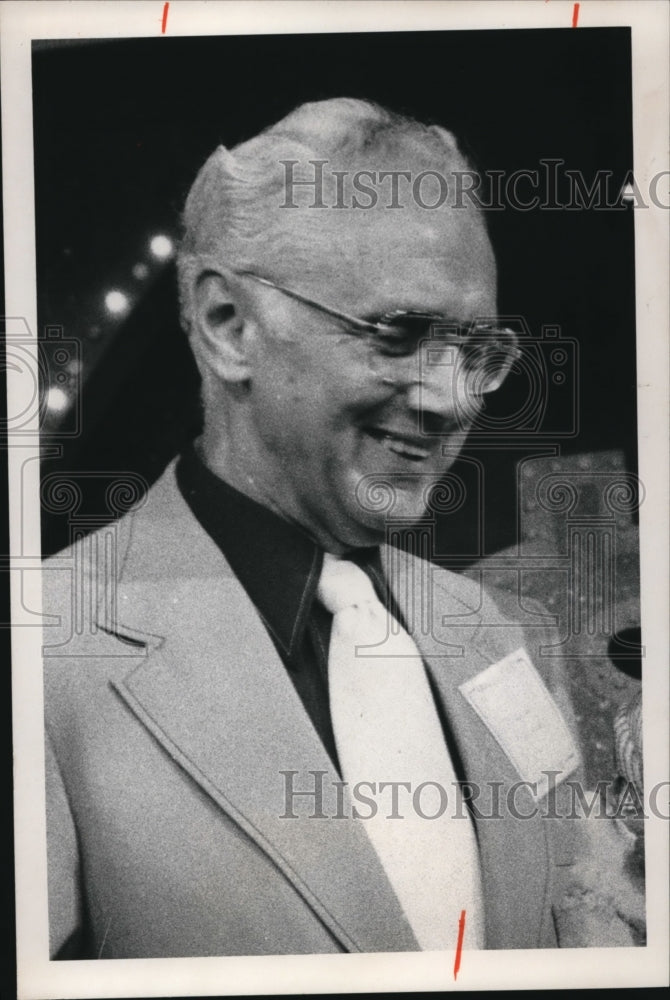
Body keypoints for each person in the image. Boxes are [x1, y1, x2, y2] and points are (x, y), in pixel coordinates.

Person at [42, 98, 640, 959]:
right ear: (229, 328)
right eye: (398, 334)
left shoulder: (505, 633)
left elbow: (571, 920)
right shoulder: (45, 658)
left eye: (478, 350)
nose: (453, 399)